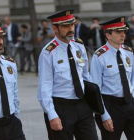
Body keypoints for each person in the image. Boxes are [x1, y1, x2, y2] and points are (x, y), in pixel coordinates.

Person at [37, 9, 98, 140]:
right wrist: (52, 114)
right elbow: (45, 86)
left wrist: (93, 99)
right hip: (61, 108)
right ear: (55, 28)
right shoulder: (48, 53)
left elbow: (86, 75)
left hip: (83, 105)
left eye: (72, 24)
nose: (70, 28)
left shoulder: (79, 46)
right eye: (65, 26)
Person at [90, 16, 134, 140]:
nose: (123, 35)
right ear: (108, 35)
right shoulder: (99, 56)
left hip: (129, 104)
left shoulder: (128, 52)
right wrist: (104, 116)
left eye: (124, 32)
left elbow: (132, 80)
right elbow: (96, 88)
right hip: (111, 107)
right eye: (118, 32)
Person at [0, 19, 26, 140]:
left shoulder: (10, 64)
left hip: (13, 124)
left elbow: (14, 93)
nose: (0, 42)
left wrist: (16, 117)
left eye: (1, 38)